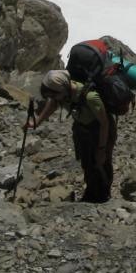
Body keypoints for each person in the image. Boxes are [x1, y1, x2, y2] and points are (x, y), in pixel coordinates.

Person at [27, 69, 116, 203]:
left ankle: (103, 195)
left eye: (55, 95)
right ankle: (92, 193)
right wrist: (36, 122)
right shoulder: (63, 94)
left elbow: (105, 123)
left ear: (62, 89)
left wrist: (102, 148)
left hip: (100, 131)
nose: (55, 98)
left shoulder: (90, 97)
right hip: (83, 129)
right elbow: (53, 104)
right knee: (87, 163)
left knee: (100, 162)